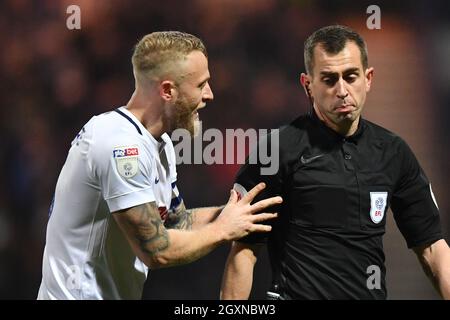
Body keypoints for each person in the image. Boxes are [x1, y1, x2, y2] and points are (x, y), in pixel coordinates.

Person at [37, 31, 282, 300]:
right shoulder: (120, 147)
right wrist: (224, 229)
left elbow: (176, 222)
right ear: (167, 90)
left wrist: (242, 212)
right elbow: (156, 250)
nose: (210, 95)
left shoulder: (159, 143)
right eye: (201, 85)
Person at [220, 25, 450, 300]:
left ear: (368, 78)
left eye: (350, 77)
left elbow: (433, 249)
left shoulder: (394, 152)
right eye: (329, 79)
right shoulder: (275, 150)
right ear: (308, 85)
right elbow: (244, 252)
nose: (342, 90)